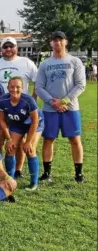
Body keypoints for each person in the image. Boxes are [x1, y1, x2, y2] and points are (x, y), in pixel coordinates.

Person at [35, 31, 86, 183]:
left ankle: (78, 174)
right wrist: (53, 102)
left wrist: (63, 101)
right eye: (54, 40)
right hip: (50, 109)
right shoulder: (45, 64)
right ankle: (47, 173)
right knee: (48, 139)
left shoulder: (75, 61)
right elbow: (39, 87)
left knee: (75, 140)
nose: (57, 43)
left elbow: (81, 85)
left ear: (65, 42)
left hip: (70, 108)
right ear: (51, 44)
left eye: (60, 40)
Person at [0, 76, 44, 190]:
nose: (14, 90)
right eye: (12, 87)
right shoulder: (3, 100)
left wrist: (28, 141)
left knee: (29, 149)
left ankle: (34, 182)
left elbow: (35, 122)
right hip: (17, 124)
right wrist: (8, 139)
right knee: (10, 148)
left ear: (22, 88)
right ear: (8, 88)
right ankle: (10, 179)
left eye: (18, 87)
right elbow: (2, 120)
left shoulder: (28, 100)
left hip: (34, 124)